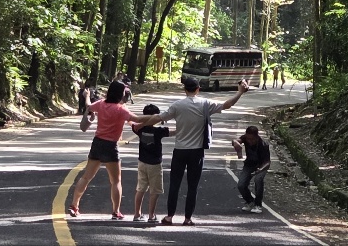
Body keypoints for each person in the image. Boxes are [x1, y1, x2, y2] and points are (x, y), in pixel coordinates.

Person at [147, 75, 250, 225]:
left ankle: (169, 216)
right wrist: (239, 92)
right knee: (192, 186)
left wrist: (139, 121)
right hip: (196, 151)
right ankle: (187, 218)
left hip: (180, 150)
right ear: (198, 89)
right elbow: (227, 105)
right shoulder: (205, 104)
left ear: (184, 89)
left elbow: (158, 118)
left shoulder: (177, 105)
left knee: (174, 184)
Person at [67, 80, 159, 219]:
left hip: (97, 143)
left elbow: (88, 106)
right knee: (115, 181)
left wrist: (87, 95)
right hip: (111, 146)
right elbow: (138, 119)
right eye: (124, 91)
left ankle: (74, 205)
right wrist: (158, 117)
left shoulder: (101, 104)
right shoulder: (121, 109)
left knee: (86, 177)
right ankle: (116, 211)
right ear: (120, 93)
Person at [130, 104, 170, 222]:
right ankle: (151, 215)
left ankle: (137, 214)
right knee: (155, 190)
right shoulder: (159, 131)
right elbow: (174, 132)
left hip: (142, 162)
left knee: (140, 188)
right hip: (155, 164)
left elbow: (132, 124)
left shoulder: (139, 129)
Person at [232, 125, 271, 213]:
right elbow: (237, 141)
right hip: (249, 164)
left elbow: (268, 162)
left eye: (252, 139)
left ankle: (258, 204)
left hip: (261, 165)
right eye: (248, 139)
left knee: (258, 180)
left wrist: (260, 170)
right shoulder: (245, 138)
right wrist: (235, 142)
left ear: (257, 137)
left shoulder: (263, 144)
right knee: (241, 185)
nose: (250, 141)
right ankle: (249, 201)